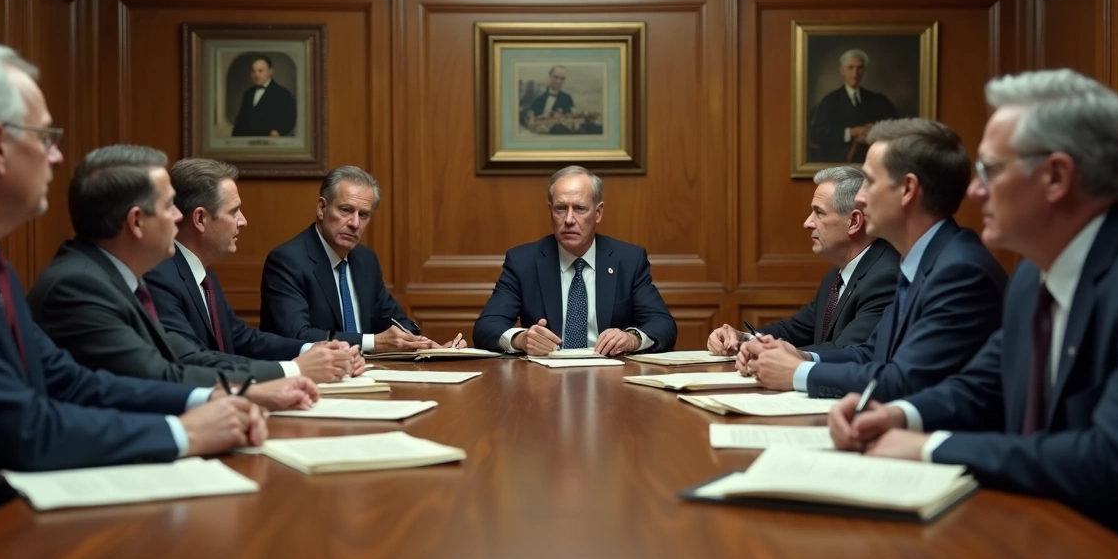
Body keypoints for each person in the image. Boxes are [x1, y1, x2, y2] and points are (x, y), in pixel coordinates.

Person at [0, 42, 314, 541]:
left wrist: (206, 402)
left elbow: (70, 382)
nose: (56, 154)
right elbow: (25, 429)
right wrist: (186, 431)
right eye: (45, 136)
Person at [828, 69, 1118, 549]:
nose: (974, 192)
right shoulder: (1028, 279)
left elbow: (1112, 459)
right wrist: (896, 415)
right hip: (1031, 533)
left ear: (1056, 177)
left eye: (991, 171)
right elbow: (980, 388)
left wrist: (931, 446)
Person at [743, 118, 1007, 400]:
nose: (859, 197)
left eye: (868, 181)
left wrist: (797, 373)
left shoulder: (960, 271)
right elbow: (873, 352)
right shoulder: (921, 260)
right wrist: (801, 357)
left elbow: (907, 380)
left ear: (907, 189)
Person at [27, 145, 325, 394]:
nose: (177, 217)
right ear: (136, 222)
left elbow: (179, 357)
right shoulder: (80, 285)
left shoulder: (115, 278)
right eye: (169, 205)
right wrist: (290, 371)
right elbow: (162, 375)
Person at [144, 158, 365, 381]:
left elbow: (242, 338)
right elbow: (193, 359)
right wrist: (296, 368)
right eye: (234, 212)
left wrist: (316, 351)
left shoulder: (205, 278)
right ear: (200, 219)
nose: (243, 221)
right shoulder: (159, 277)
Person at [473, 165, 677, 355]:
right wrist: (521, 339)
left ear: (598, 213)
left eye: (580, 208)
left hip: (611, 376)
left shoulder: (629, 260)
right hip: (544, 380)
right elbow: (486, 327)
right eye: (560, 208)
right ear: (550, 211)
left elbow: (662, 324)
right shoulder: (523, 261)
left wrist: (631, 339)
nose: (569, 220)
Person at [260, 165, 463, 353]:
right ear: (322, 208)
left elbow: (393, 319)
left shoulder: (365, 260)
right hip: (309, 381)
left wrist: (425, 345)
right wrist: (373, 343)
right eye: (346, 210)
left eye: (364, 215)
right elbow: (297, 336)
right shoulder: (287, 261)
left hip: (367, 375)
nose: (355, 223)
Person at [707, 166, 899, 357]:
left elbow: (848, 351)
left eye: (819, 212)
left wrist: (766, 353)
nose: (807, 223)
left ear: (854, 221)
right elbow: (795, 330)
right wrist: (744, 339)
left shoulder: (885, 278)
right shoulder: (837, 275)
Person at [807, 50, 899, 163]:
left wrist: (876, 128)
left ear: (864, 71)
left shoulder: (878, 99)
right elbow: (817, 134)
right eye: (850, 68)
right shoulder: (829, 101)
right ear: (842, 71)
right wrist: (850, 132)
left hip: (873, 161)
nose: (855, 73)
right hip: (839, 162)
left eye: (859, 68)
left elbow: (895, 125)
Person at [231, 55, 296, 137]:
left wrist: (278, 132)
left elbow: (289, 119)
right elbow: (240, 122)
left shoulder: (282, 93)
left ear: (270, 71)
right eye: (253, 71)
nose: (256, 75)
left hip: (269, 143)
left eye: (260, 71)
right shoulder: (248, 93)